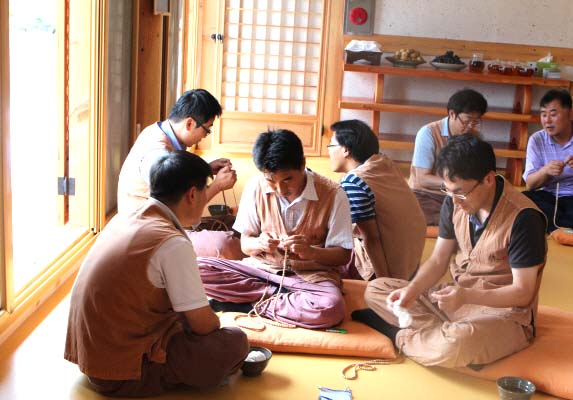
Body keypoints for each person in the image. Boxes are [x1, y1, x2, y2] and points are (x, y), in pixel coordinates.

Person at [353, 135, 547, 369]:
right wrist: (412, 291)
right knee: (377, 289)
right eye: (448, 190)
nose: (454, 201)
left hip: (503, 312)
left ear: (488, 179)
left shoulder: (524, 218)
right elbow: (438, 260)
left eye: (460, 193)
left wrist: (466, 296)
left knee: (455, 345)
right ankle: (445, 336)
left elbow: (523, 293)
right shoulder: (454, 201)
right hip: (456, 301)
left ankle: (398, 334)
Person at [65, 151, 249, 397]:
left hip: (91, 358)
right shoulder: (171, 243)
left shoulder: (128, 216)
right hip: (121, 375)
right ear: (192, 195)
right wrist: (217, 323)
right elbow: (203, 325)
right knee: (235, 342)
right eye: (205, 190)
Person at [197, 129, 354, 329]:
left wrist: (311, 252)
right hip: (262, 271)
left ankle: (247, 304)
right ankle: (283, 299)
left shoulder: (334, 194)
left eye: (287, 179)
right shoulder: (255, 187)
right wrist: (259, 244)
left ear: (303, 165)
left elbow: (343, 256)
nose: (280, 189)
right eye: (271, 181)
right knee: (197, 269)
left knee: (331, 308)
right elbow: (245, 244)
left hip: (312, 278)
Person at [117, 88, 243, 259]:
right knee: (227, 244)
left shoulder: (159, 131)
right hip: (147, 234)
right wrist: (217, 186)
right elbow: (180, 207)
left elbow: (179, 181)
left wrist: (206, 168)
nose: (205, 136)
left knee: (235, 223)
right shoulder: (157, 153)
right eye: (207, 130)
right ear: (190, 123)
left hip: (163, 222)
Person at [328, 119, 426, 280]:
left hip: (389, 268)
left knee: (324, 253)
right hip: (410, 263)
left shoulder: (354, 182)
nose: (329, 152)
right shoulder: (382, 163)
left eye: (331, 145)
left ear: (345, 150)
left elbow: (372, 238)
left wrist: (383, 284)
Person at [522, 88, 573, 234]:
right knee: (524, 199)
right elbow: (530, 184)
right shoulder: (537, 140)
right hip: (553, 201)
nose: (547, 120)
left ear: (569, 114)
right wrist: (545, 171)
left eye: (553, 114)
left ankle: (559, 226)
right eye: (543, 114)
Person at [409, 88, 488, 226]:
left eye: (476, 122)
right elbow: (422, 179)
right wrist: (454, 185)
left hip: (460, 196)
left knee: (485, 215)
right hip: (427, 195)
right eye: (467, 120)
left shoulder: (474, 137)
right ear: (452, 114)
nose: (471, 126)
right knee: (428, 217)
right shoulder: (428, 133)